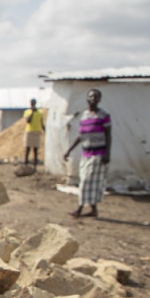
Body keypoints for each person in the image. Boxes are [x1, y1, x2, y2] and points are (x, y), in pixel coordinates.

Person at [63, 88, 111, 217]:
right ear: (86, 99)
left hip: (98, 153)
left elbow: (108, 135)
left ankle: (79, 209)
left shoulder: (104, 116)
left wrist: (107, 153)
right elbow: (81, 135)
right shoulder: (84, 115)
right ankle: (93, 210)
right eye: (90, 96)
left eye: (95, 97)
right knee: (89, 182)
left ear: (99, 99)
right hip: (86, 153)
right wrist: (69, 150)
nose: (93, 99)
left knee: (86, 181)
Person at [23, 98, 46, 170]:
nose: (32, 104)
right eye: (32, 103)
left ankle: (35, 166)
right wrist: (32, 112)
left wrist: (45, 130)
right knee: (27, 148)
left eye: (33, 103)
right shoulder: (27, 112)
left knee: (35, 150)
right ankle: (25, 165)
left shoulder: (40, 112)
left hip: (37, 131)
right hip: (29, 131)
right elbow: (28, 121)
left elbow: (41, 122)